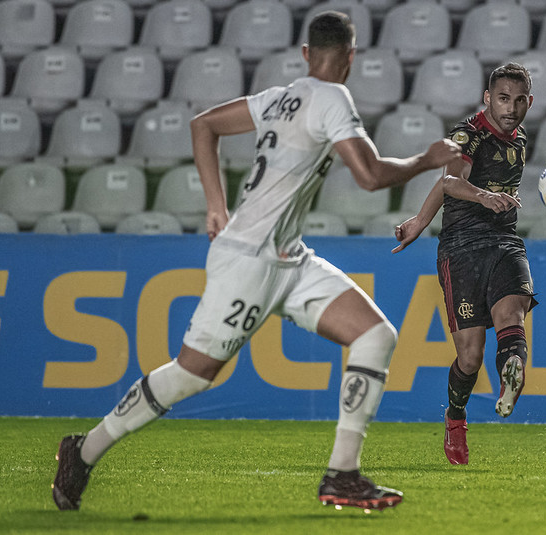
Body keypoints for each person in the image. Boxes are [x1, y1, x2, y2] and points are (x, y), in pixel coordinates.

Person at [52, 11, 460, 512]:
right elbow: (371, 176)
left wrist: (215, 204)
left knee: (376, 335)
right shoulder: (333, 97)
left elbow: (204, 125)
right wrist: (427, 158)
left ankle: (343, 475)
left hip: (288, 259)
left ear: (306, 54)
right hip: (247, 260)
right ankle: (83, 449)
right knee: (191, 373)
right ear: (351, 58)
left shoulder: (278, 97)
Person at [392, 63, 535, 465]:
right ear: (487, 98)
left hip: (505, 241)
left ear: (529, 101)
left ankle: (511, 370)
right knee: (470, 357)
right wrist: (424, 221)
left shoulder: (520, 135)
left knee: (513, 312)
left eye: (519, 100)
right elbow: (450, 182)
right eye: (503, 99)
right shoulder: (467, 134)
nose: (511, 108)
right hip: (462, 248)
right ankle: (456, 417)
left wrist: (498, 202)